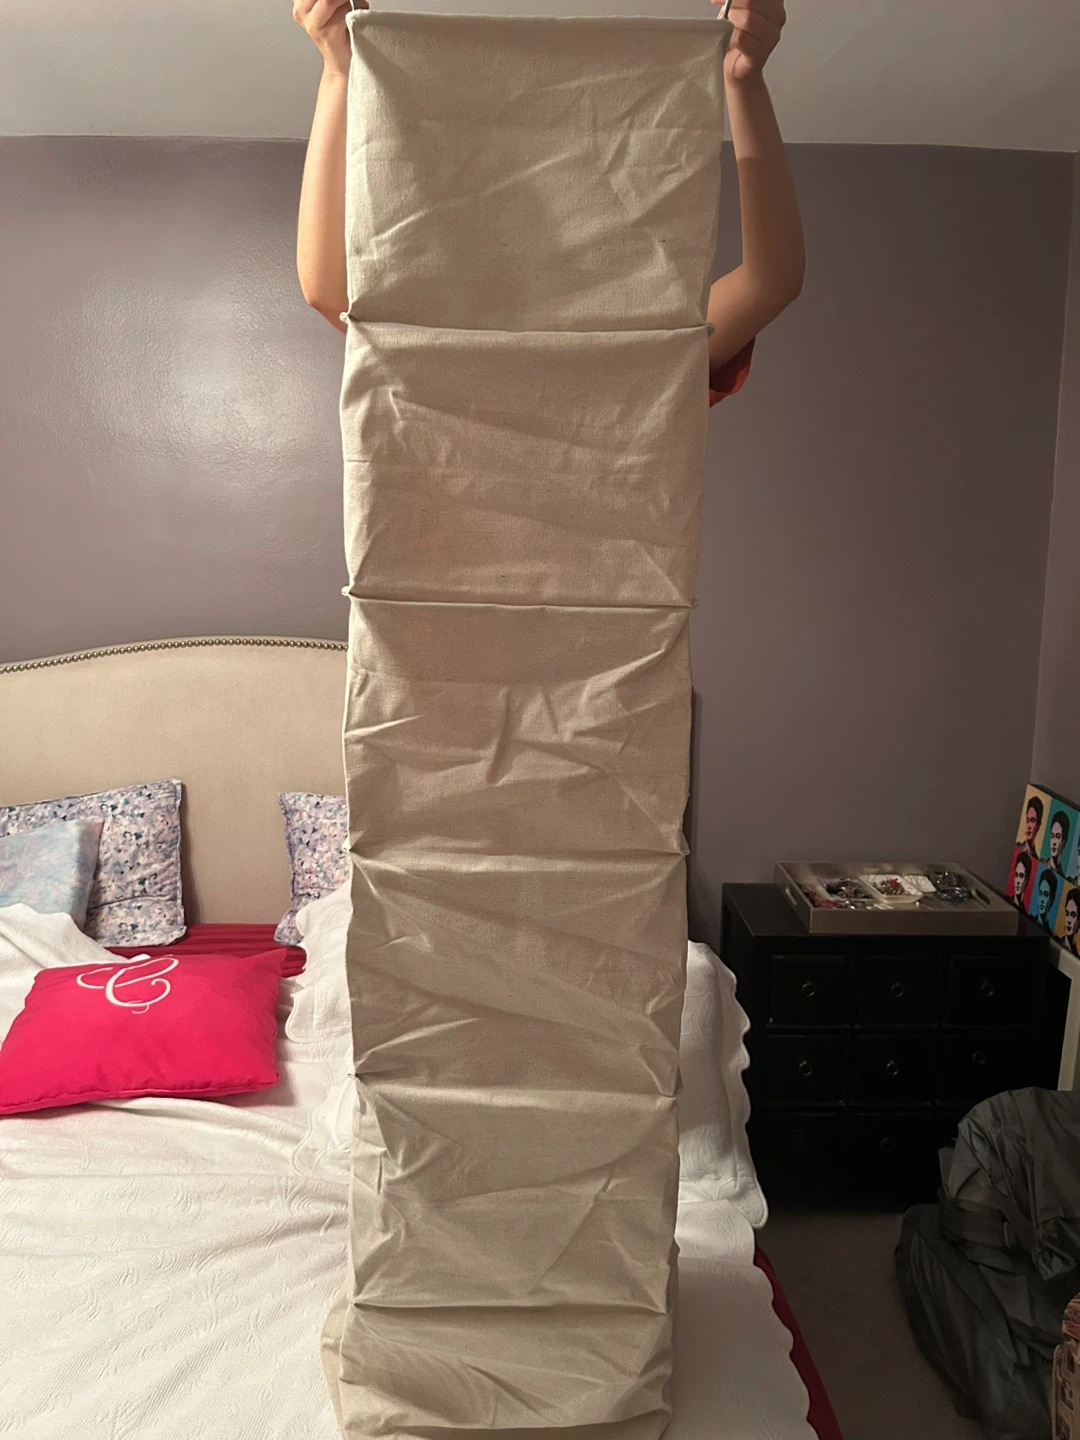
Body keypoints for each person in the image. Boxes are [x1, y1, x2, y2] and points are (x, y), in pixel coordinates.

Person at [294, 0, 804, 405]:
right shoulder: (640, 358)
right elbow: (770, 283)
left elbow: (769, 283)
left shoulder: (638, 339)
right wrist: (339, 72)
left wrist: (741, 78)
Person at [1047, 809, 1072, 875]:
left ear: (1064, 842)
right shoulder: (1041, 863)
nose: (1054, 842)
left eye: (1058, 837)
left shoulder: (1062, 876)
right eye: (1052, 836)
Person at [1062, 887, 1080, 957]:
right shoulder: (1056, 940)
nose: (1069, 920)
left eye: (1073, 915)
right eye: (1067, 913)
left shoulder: (1077, 957)